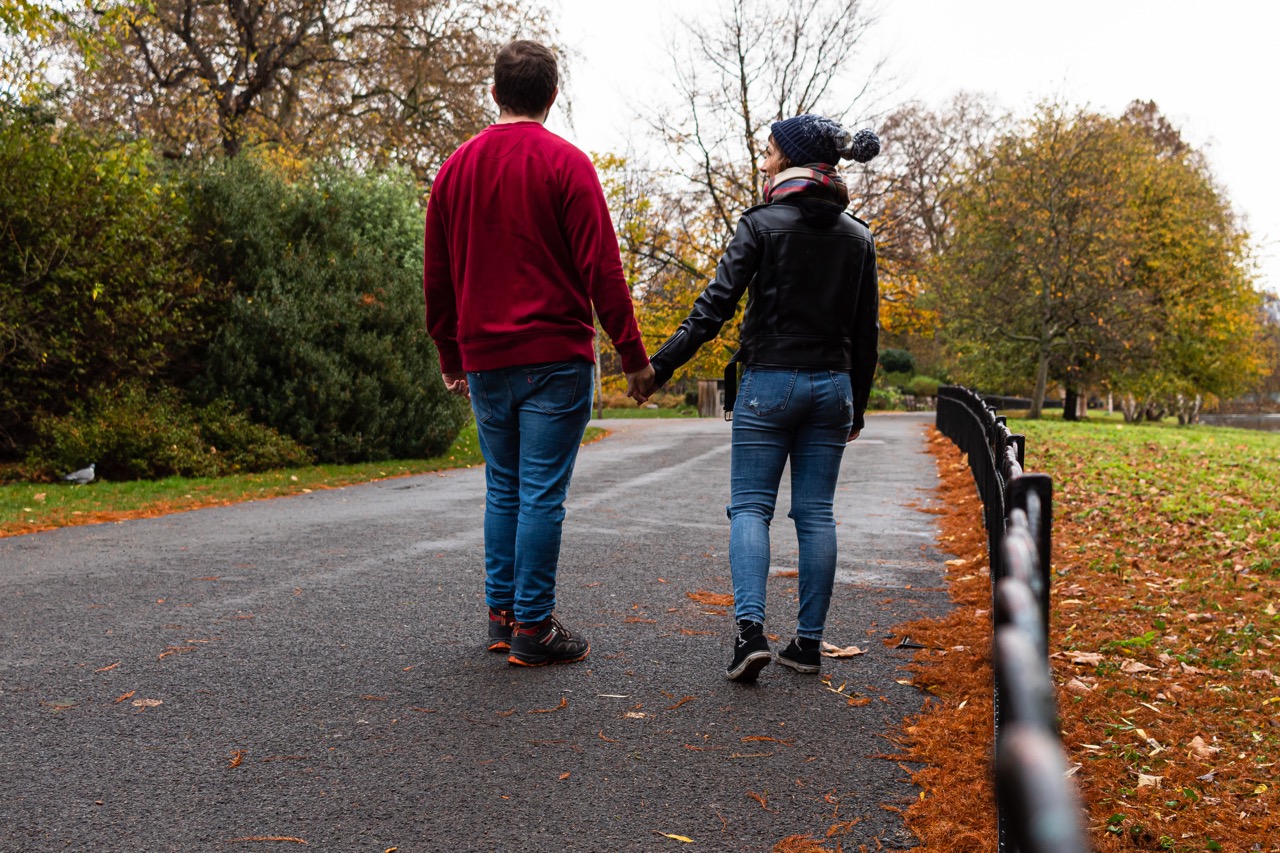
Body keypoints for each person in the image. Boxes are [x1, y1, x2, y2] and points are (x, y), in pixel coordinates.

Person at [423, 40, 654, 667]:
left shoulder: (454, 170)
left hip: (485, 358)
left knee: (504, 487)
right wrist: (633, 356)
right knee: (541, 494)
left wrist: (450, 354)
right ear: (553, 97)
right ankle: (534, 625)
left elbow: (437, 276)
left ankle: (502, 616)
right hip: (554, 355)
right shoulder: (568, 165)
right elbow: (602, 268)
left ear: (494, 93)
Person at [644, 114, 881, 681]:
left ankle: (750, 632)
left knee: (751, 507)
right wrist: (859, 405)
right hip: (833, 386)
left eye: (770, 151)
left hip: (768, 384)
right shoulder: (858, 236)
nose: (763, 160)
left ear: (792, 160)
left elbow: (714, 306)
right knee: (816, 513)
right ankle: (807, 645)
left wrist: (658, 366)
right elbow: (867, 331)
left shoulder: (761, 225)